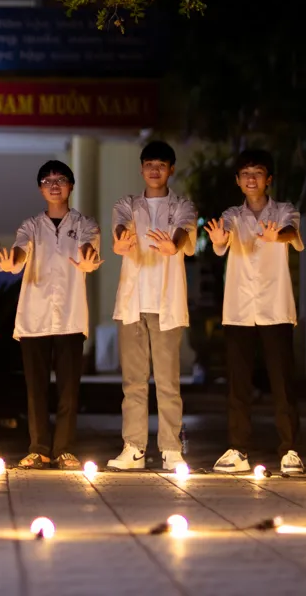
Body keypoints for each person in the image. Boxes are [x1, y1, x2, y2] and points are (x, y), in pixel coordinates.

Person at [0, 160, 102, 470]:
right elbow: (20, 251)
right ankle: (39, 448)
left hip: (69, 315)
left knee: (69, 389)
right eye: (47, 181)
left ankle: (65, 448)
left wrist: (88, 256)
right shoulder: (30, 226)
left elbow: (89, 252)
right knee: (36, 389)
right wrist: (13, 260)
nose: (54, 185)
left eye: (60, 180)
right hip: (35, 317)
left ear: (71, 186)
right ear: (40, 189)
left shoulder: (85, 224)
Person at [204, 149, 305, 475]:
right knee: (238, 383)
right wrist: (219, 239)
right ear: (237, 180)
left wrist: (277, 236)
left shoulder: (285, 211)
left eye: (257, 173)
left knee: (282, 382)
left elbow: (292, 234)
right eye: (245, 173)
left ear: (268, 179)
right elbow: (221, 242)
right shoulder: (232, 215)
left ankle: (289, 450)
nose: (251, 179)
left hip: (275, 307)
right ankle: (238, 449)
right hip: (239, 309)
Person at [106, 141, 196, 473]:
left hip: (167, 302)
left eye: (161, 164)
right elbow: (119, 227)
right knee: (133, 381)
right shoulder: (127, 204)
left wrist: (175, 245)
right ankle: (134, 448)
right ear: (141, 168)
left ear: (171, 169)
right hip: (132, 303)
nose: (154, 170)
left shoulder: (183, 205)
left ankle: (171, 449)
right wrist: (120, 239)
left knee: (169, 381)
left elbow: (184, 231)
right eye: (149, 164)